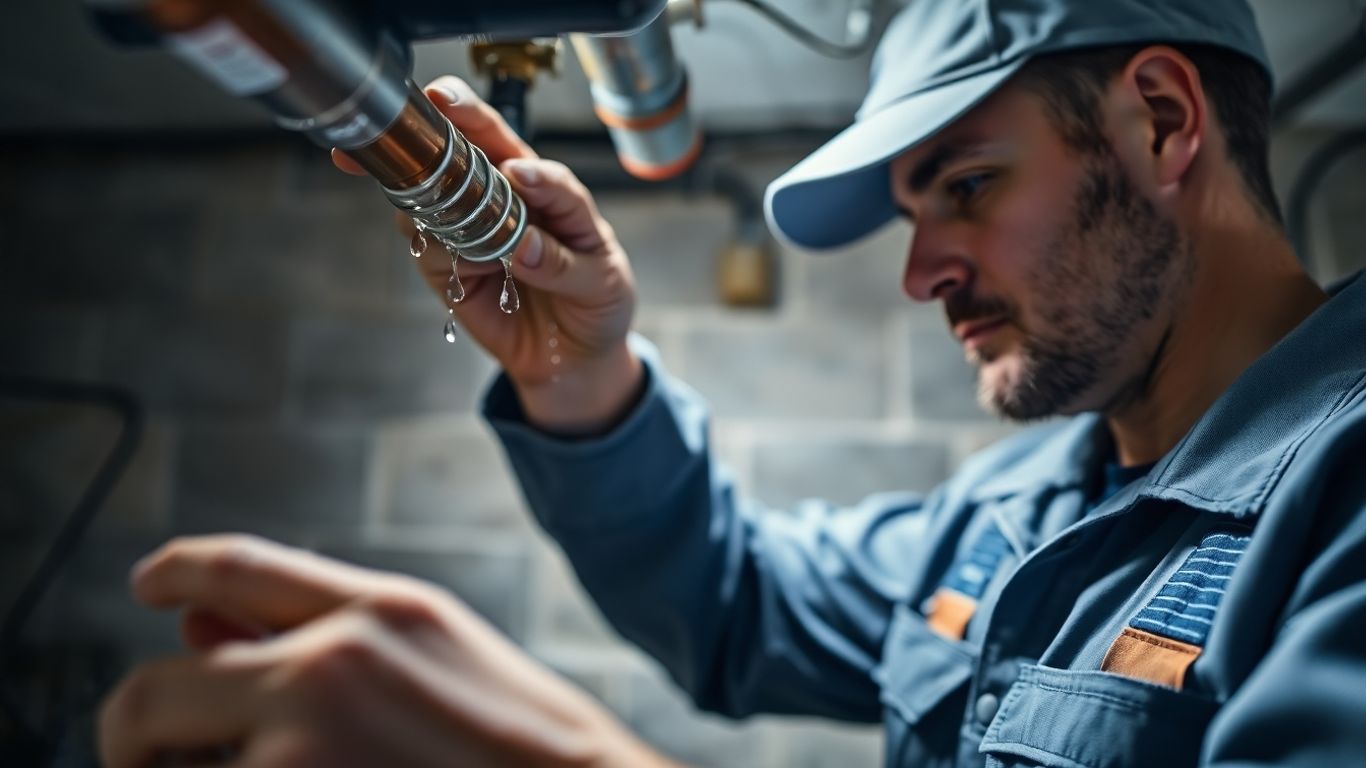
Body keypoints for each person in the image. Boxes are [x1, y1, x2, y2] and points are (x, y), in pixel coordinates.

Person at [98, 0, 1366, 765]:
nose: (922, 272)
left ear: (1157, 118)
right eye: (914, 214)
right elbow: (737, 599)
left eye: (967, 185)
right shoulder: (1020, 510)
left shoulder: (1338, 503)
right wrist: (586, 373)